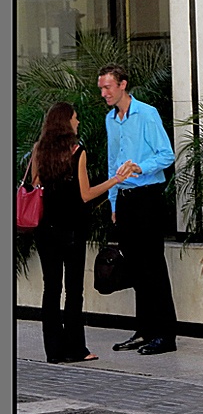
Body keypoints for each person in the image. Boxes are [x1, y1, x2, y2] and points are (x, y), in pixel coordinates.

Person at [29, 102, 138, 364]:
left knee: (51, 289)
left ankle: (53, 351)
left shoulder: (38, 150)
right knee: (73, 290)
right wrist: (115, 180)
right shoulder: (77, 151)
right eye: (75, 119)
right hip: (73, 230)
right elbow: (86, 194)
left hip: (46, 231)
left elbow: (35, 185)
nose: (78, 123)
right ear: (66, 122)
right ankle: (76, 349)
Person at [99, 64, 179, 356]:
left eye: (108, 87)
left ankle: (165, 335)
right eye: (101, 88)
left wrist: (140, 167)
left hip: (147, 196)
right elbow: (112, 161)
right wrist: (113, 200)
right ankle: (145, 331)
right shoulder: (111, 119)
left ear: (123, 85)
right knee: (135, 266)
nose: (104, 93)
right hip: (125, 199)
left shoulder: (146, 114)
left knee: (153, 266)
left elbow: (167, 155)